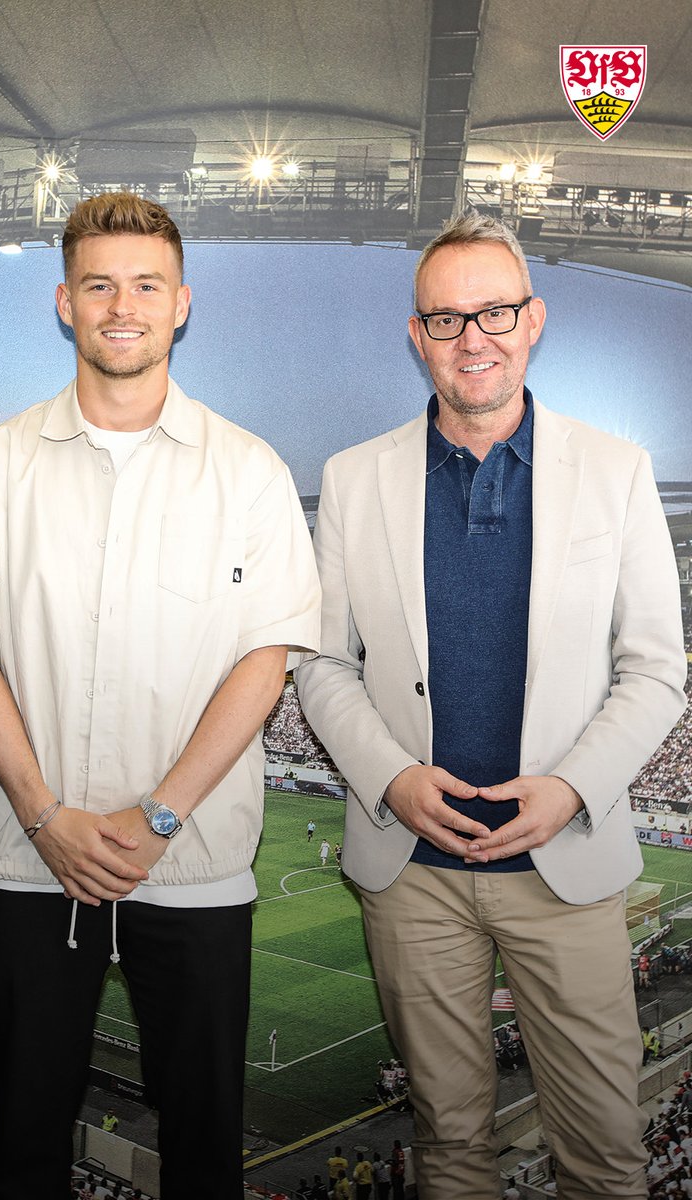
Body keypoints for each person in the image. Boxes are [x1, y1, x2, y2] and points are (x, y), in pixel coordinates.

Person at [0, 191, 319, 1199]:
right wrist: (46, 816)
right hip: (27, 861)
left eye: (145, 285)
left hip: (191, 865)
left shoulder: (251, 472)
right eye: (99, 285)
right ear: (65, 303)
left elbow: (263, 663)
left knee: (202, 1149)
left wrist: (158, 815)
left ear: (181, 304)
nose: (122, 306)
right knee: (23, 1143)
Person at [297, 212, 687, 1199]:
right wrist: (389, 775)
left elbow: (655, 670)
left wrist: (570, 788)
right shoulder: (351, 479)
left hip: (564, 868)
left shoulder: (617, 469)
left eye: (496, 312)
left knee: (603, 1153)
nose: (474, 337)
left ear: (535, 319)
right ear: (417, 334)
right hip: (412, 875)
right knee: (451, 1144)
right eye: (446, 318)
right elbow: (321, 665)